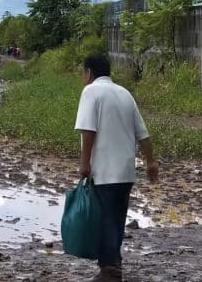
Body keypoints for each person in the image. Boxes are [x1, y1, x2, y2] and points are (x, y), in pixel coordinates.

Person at [74, 55, 158, 281]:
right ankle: (112, 266)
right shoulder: (125, 93)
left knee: (105, 221)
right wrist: (150, 162)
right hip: (126, 172)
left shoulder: (91, 92)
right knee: (116, 220)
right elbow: (143, 134)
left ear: (89, 73)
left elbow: (88, 130)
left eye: (84, 73)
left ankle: (110, 271)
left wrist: (84, 163)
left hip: (105, 172)